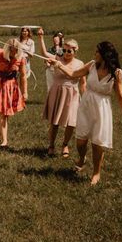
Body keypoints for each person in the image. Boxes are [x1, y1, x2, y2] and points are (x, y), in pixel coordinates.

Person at [51, 41, 122, 185]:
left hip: (102, 108)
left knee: (97, 144)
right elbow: (74, 74)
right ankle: (82, 158)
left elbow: (120, 96)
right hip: (86, 105)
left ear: (104, 54)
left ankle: (96, 173)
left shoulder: (116, 73)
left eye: (97, 52)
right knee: (81, 142)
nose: (94, 54)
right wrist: (60, 66)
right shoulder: (92, 65)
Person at [37, 29, 86, 157]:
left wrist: (85, 97)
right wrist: (41, 38)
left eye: (69, 51)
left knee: (71, 123)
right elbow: (44, 53)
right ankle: (51, 145)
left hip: (73, 95)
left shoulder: (80, 64)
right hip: (57, 93)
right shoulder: (57, 58)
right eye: (64, 50)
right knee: (55, 122)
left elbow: (83, 82)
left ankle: (65, 144)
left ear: (76, 50)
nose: (66, 53)